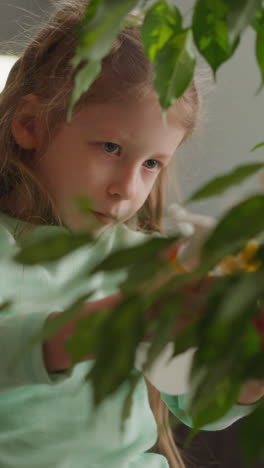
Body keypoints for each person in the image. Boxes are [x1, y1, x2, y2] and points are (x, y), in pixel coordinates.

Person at [0, 1, 262, 467]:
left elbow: (198, 402)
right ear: (29, 125)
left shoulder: (152, 263)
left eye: (152, 165)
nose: (128, 187)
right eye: (110, 147)